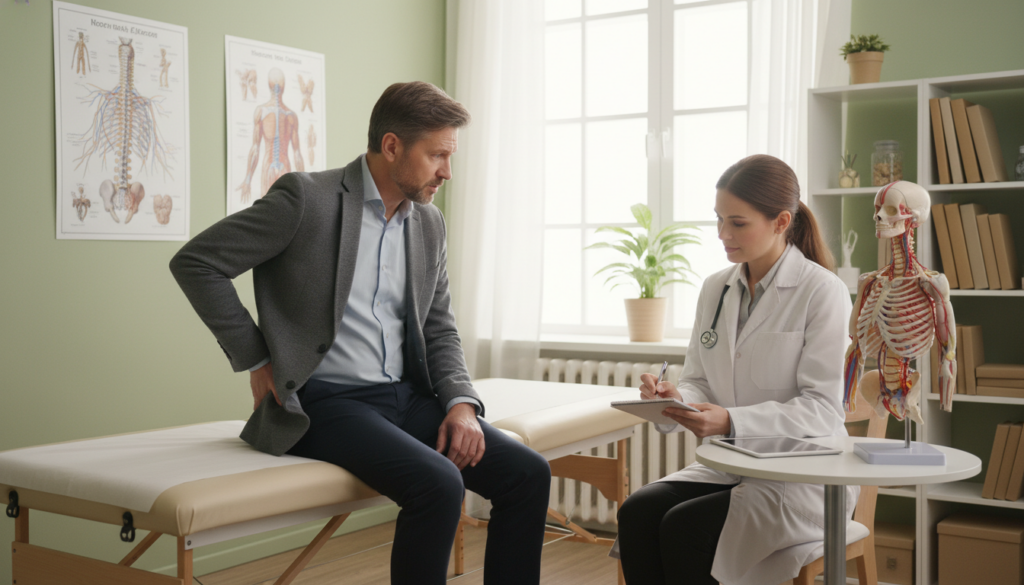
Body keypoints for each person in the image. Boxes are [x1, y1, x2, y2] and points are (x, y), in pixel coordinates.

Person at [169, 81, 551, 585]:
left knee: (527, 474)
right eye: (437, 155)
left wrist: (461, 404)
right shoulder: (307, 199)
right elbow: (197, 263)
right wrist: (257, 360)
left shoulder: (429, 224)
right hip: (324, 401)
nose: (447, 172)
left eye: (449, 156)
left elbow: (439, 328)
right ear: (392, 146)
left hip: (406, 397)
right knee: (439, 484)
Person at [615, 154, 855, 585]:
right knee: (638, 511)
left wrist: (730, 420)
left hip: (800, 475)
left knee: (684, 528)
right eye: (719, 220)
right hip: (730, 464)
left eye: (738, 223)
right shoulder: (716, 289)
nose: (723, 235)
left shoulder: (822, 292)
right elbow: (698, 378)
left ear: (781, 221)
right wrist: (675, 398)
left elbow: (821, 408)